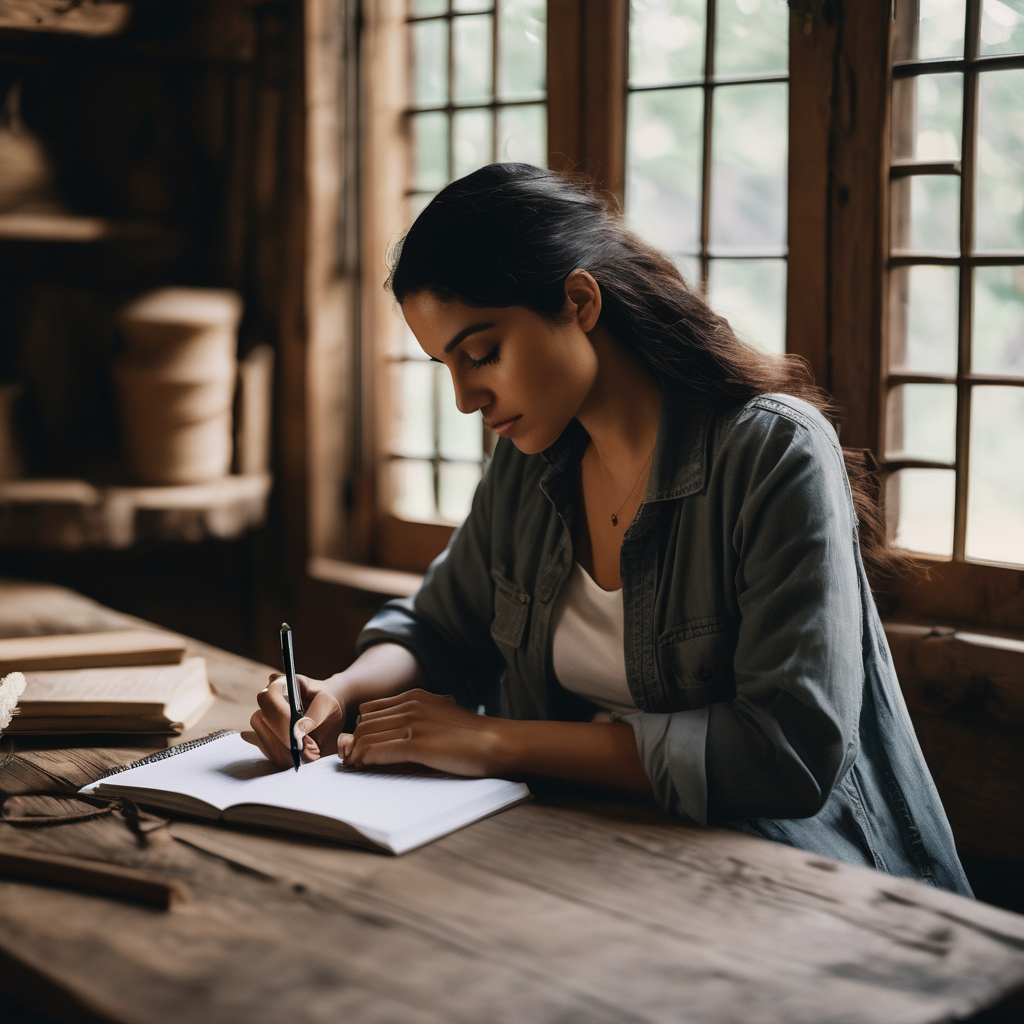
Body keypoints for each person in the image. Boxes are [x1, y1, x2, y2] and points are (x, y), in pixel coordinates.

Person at [245, 163, 972, 895]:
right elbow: (440, 629)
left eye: (482, 354)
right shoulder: (529, 462)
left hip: (802, 881)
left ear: (580, 302)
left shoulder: (773, 454)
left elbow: (785, 753)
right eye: (446, 367)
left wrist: (495, 739)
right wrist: (337, 692)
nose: (467, 398)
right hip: (589, 857)